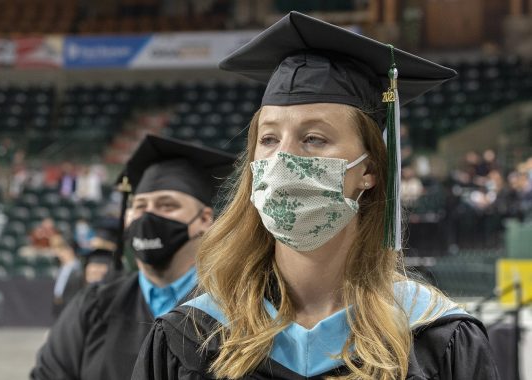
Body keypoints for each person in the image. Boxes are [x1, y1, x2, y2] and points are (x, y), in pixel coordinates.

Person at [132, 12, 500, 380]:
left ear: (369, 171)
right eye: (269, 139)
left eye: (314, 139)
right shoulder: (193, 336)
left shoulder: (434, 338)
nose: (284, 159)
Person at [31, 135, 235, 380]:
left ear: (204, 220)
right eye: (139, 206)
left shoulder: (232, 311)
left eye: (166, 205)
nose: (147, 216)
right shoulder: (94, 307)